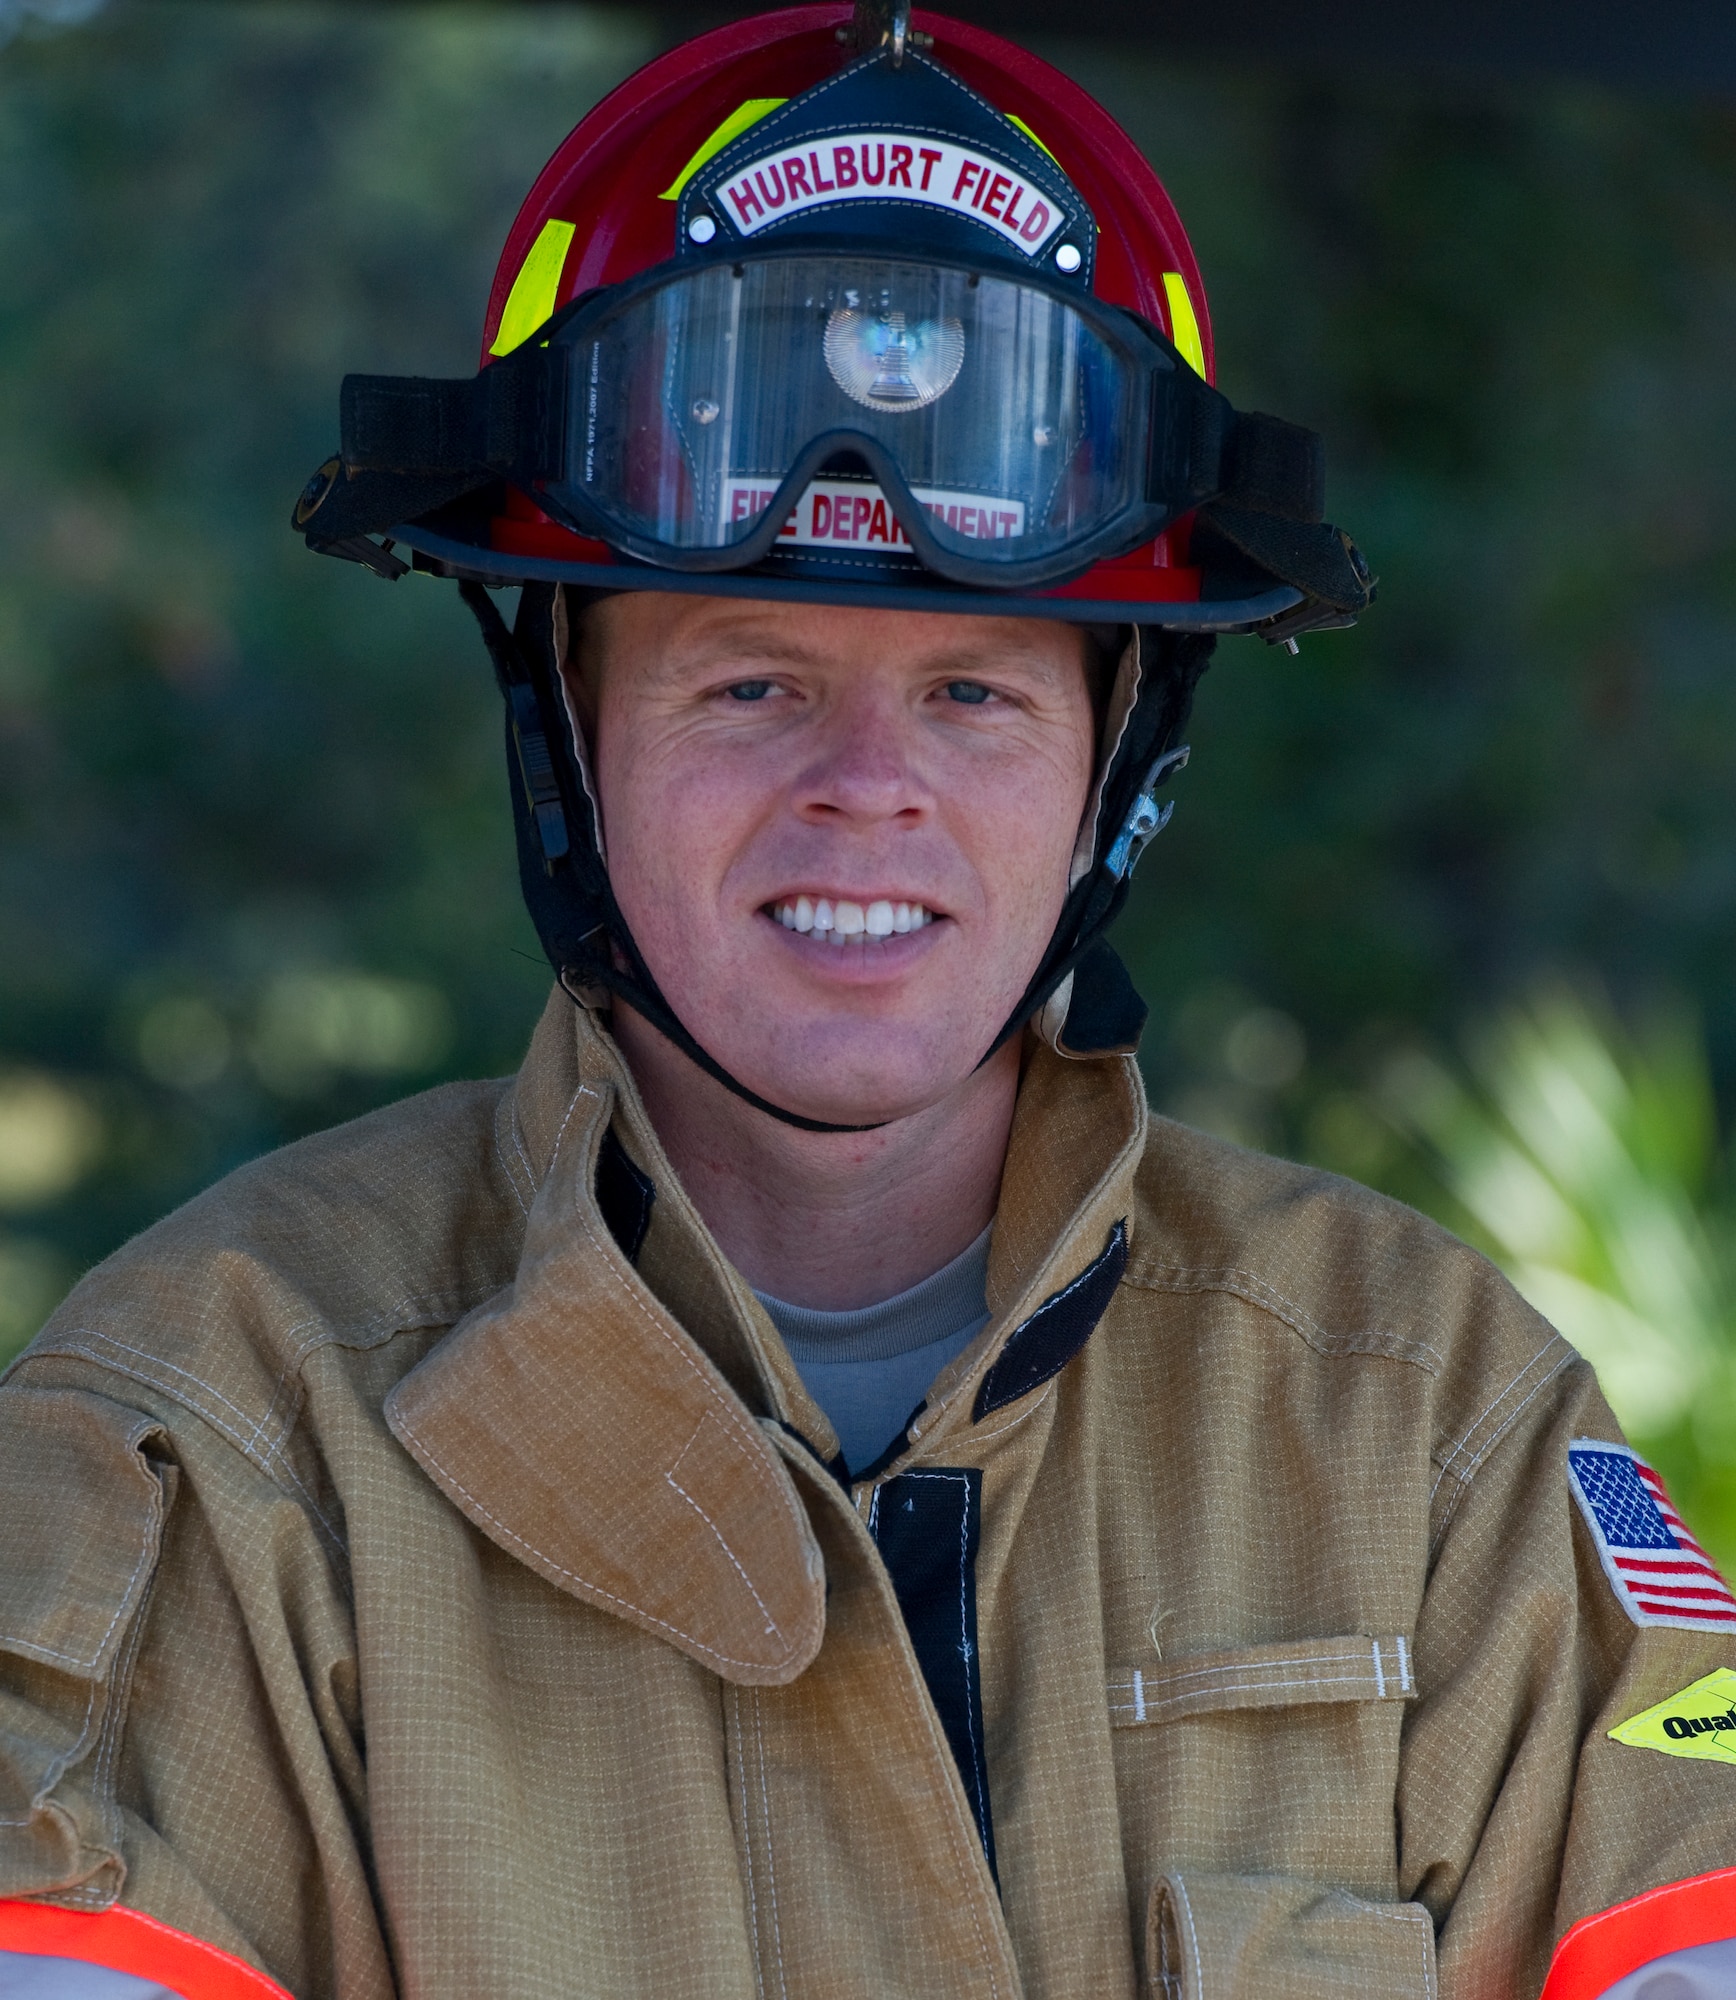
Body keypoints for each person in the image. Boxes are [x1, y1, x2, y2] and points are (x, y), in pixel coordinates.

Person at [1, 4, 1732, 1995]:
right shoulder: (206, 1448)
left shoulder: (1431, 1427)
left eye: (975, 689)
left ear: (1120, 754)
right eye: (749, 679)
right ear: (564, 729)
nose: (865, 788)